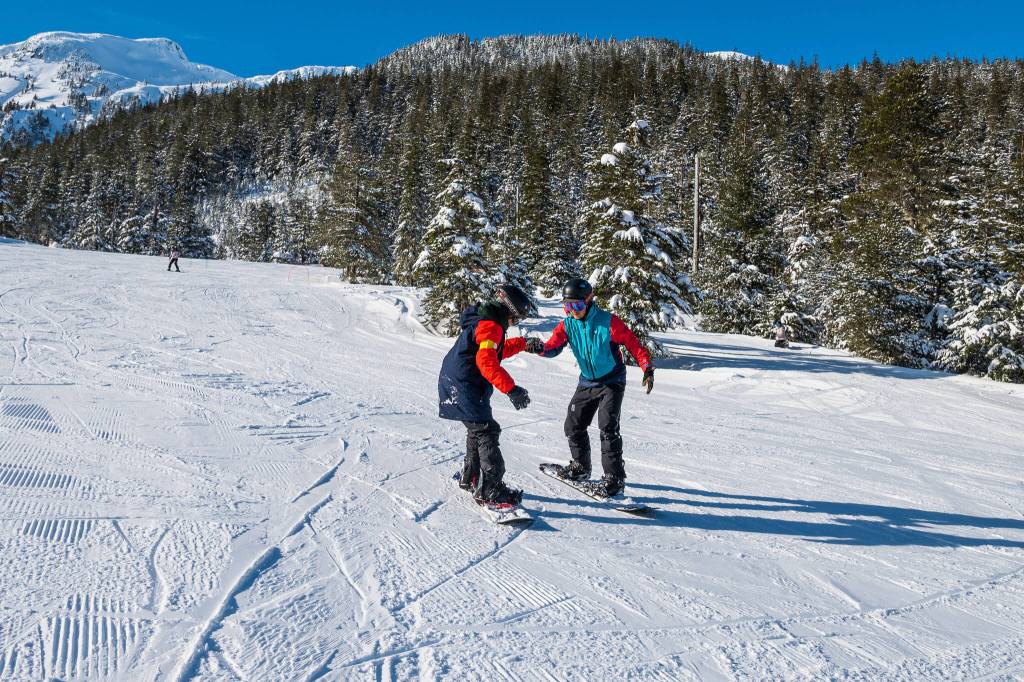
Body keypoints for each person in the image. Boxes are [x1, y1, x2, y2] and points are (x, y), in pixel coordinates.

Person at [525, 278, 653, 498]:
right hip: (587, 381)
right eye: (568, 306)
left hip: (611, 381)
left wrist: (647, 367)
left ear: (588, 300)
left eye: (577, 305)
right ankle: (580, 467)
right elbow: (553, 347)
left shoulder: (608, 322)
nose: (573, 311)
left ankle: (614, 479)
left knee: (608, 428)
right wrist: (540, 349)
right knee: (573, 425)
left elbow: (633, 343)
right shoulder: (567, 325)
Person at [439, 284, 538, 506]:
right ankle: (491, 489)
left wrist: (523, 343)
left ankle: (471, 476)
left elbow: (493, 350)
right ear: (509, 312)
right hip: (466, 384)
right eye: (517, 318)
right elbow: (486, 362)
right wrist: (511, 389)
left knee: (477, 428)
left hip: (458, 381)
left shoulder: (486, 321)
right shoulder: (492, 326)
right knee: (486, 430)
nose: (515, 323)